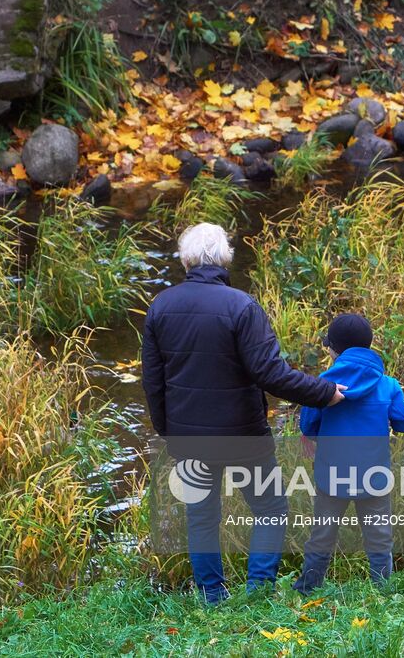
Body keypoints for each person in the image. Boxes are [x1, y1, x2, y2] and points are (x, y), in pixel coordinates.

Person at [141, 222, 345, 603]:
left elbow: (153, 382)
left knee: (202, 516)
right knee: (269, 507)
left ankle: (211, 597)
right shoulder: (242, 307)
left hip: (190, 439)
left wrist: (169, 432)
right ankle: (258, 592)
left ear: (186, 259)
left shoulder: (161, 307)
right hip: (243, 436)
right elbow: (271, 374)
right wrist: (325, 393)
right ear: (224, 258)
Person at [294, 313, 404, 592]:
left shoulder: (321, 386)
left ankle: (307, 588)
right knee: (379, 538)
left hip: (332, 476)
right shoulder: (388, 385)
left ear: (334, 349)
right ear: (368, 346)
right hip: (373, 477)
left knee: (322, 536)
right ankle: (382, 590)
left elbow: (308, 426)